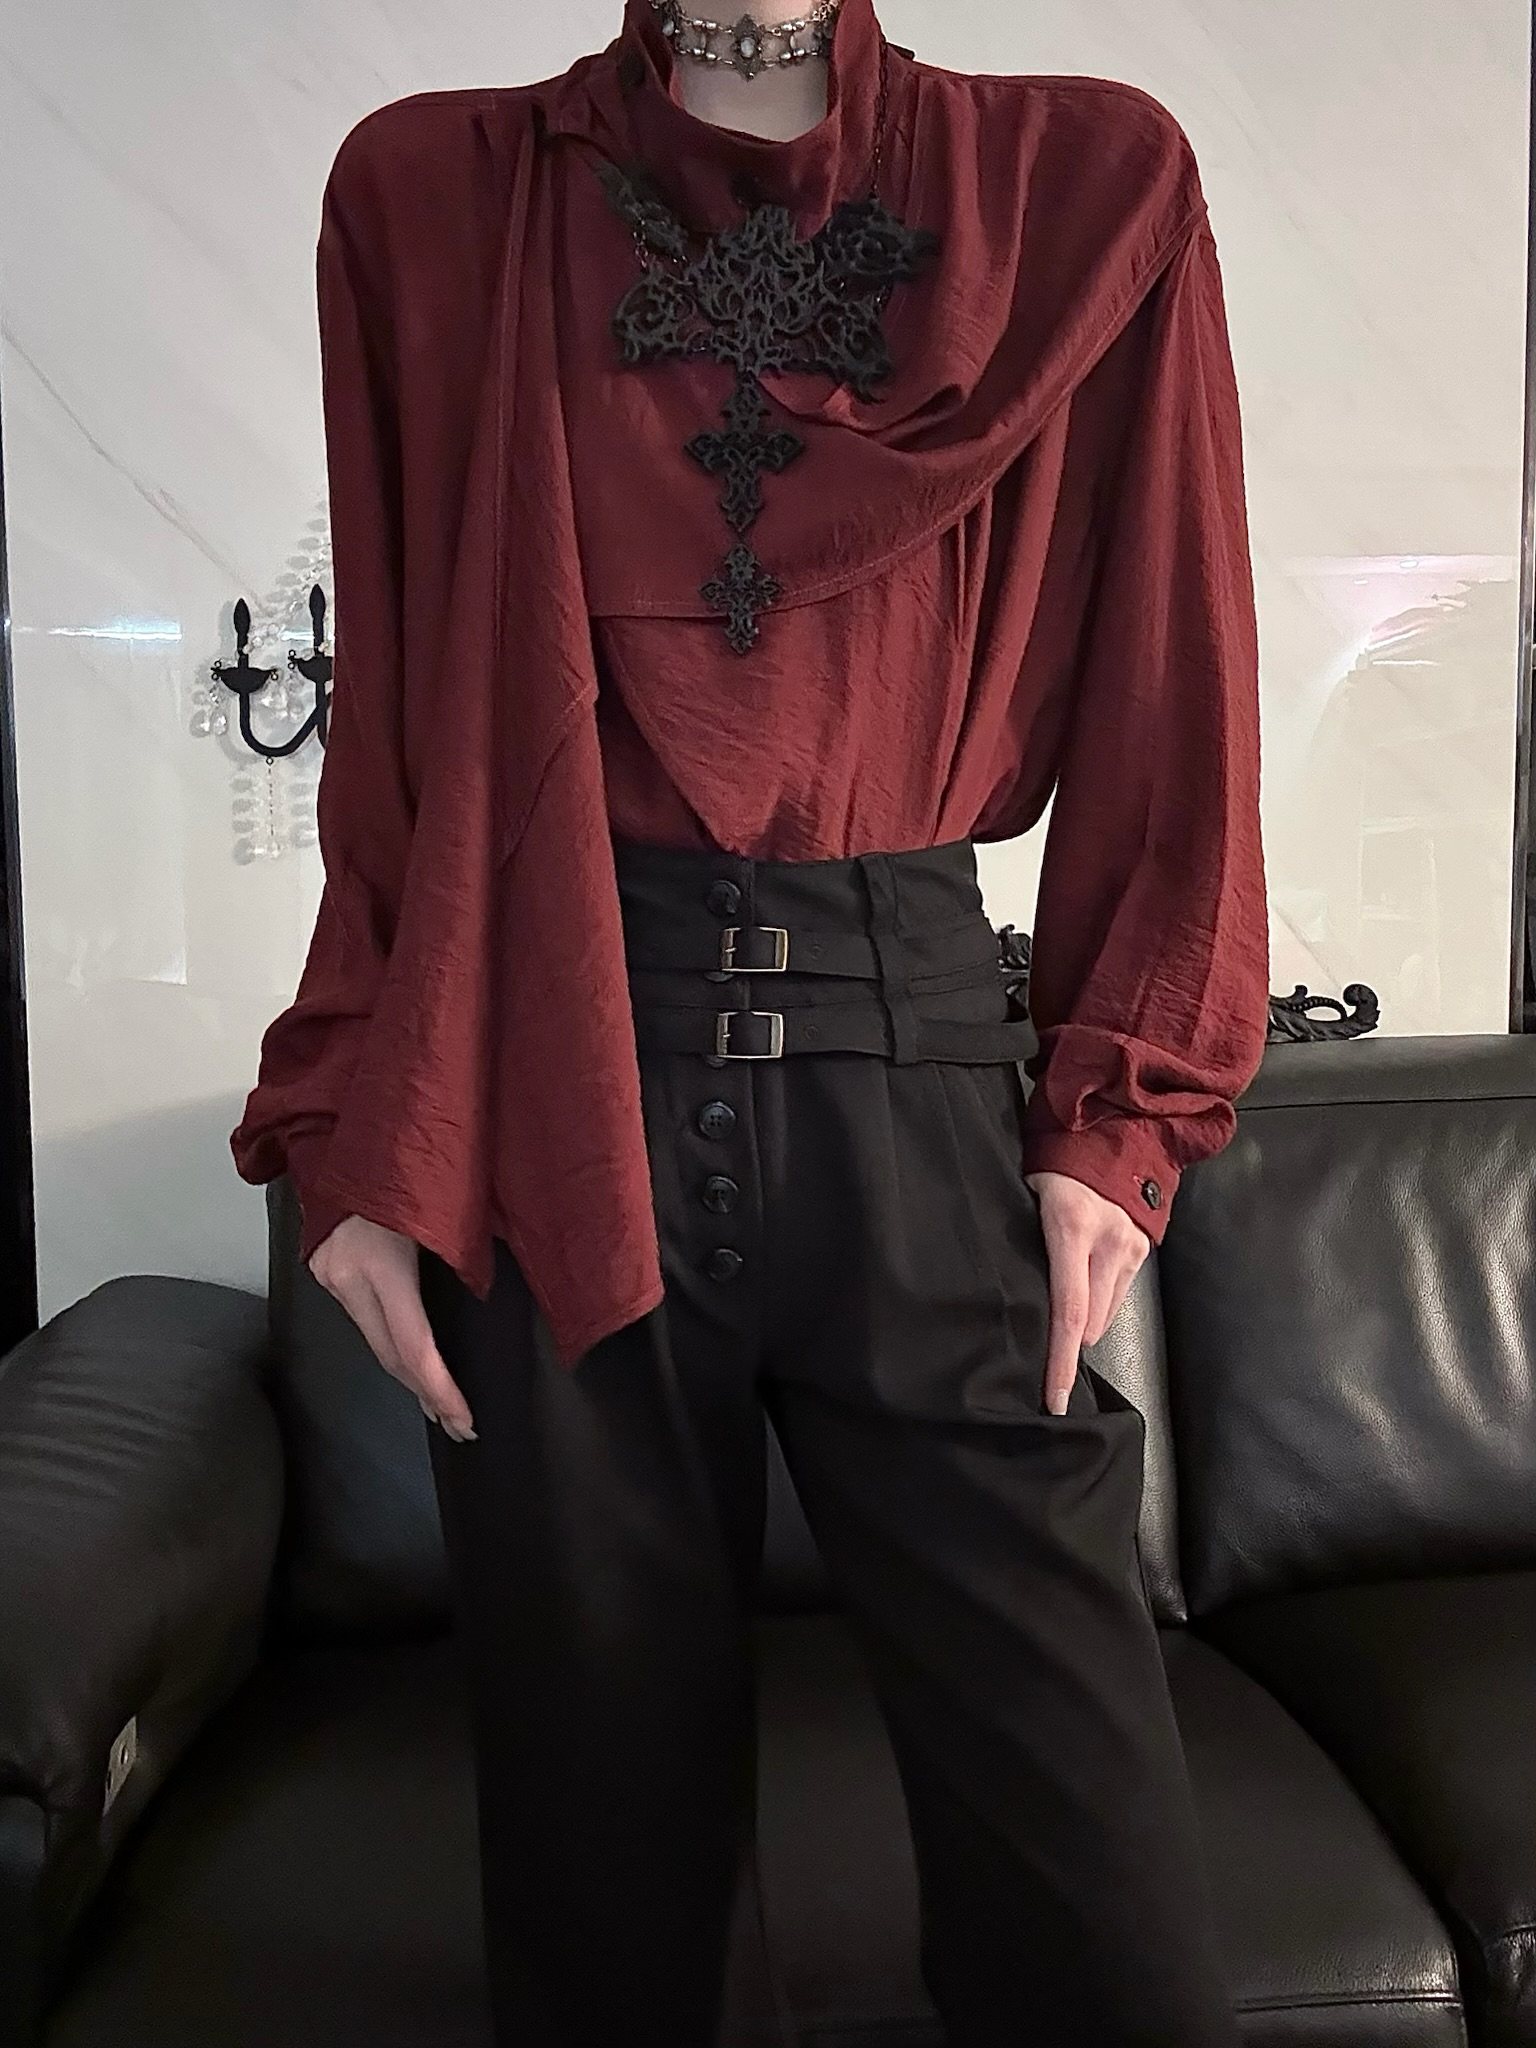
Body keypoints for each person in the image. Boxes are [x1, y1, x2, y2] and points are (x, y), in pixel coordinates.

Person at [230, 0, 1271, 2041]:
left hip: (918, 1065)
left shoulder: (1078, 188)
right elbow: (403, 725)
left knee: (1108, 1935)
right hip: (554, 1075)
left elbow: (1181, 680)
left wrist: (1118, 1116)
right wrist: (353, 1108)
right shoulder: (433, 193)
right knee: (605, 1921)